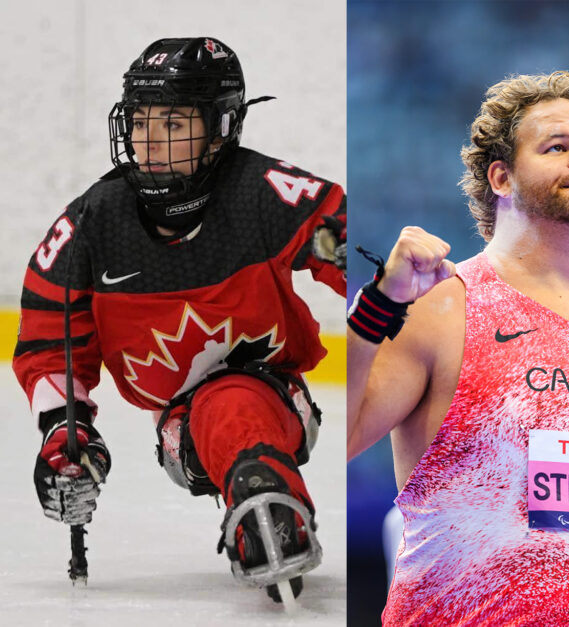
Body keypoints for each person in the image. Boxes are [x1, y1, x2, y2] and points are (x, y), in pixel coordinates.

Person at [14, 37, 347, 602]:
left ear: (220, 128)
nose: (150, 144)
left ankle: (266, 502)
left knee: (235, 400)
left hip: (276, 396)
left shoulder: (263, 194)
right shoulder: (92, 224)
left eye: (172, 125)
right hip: (179, 428)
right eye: (140, 124)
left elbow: (360, 253)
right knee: (219, 407)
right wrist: (64, 432)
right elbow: (50, 341)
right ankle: (260, 503)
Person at [347, 71, 569, 625]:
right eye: (557, 146)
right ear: (500, 176)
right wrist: (379, 305)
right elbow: (333, 441)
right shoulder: (443, 309)